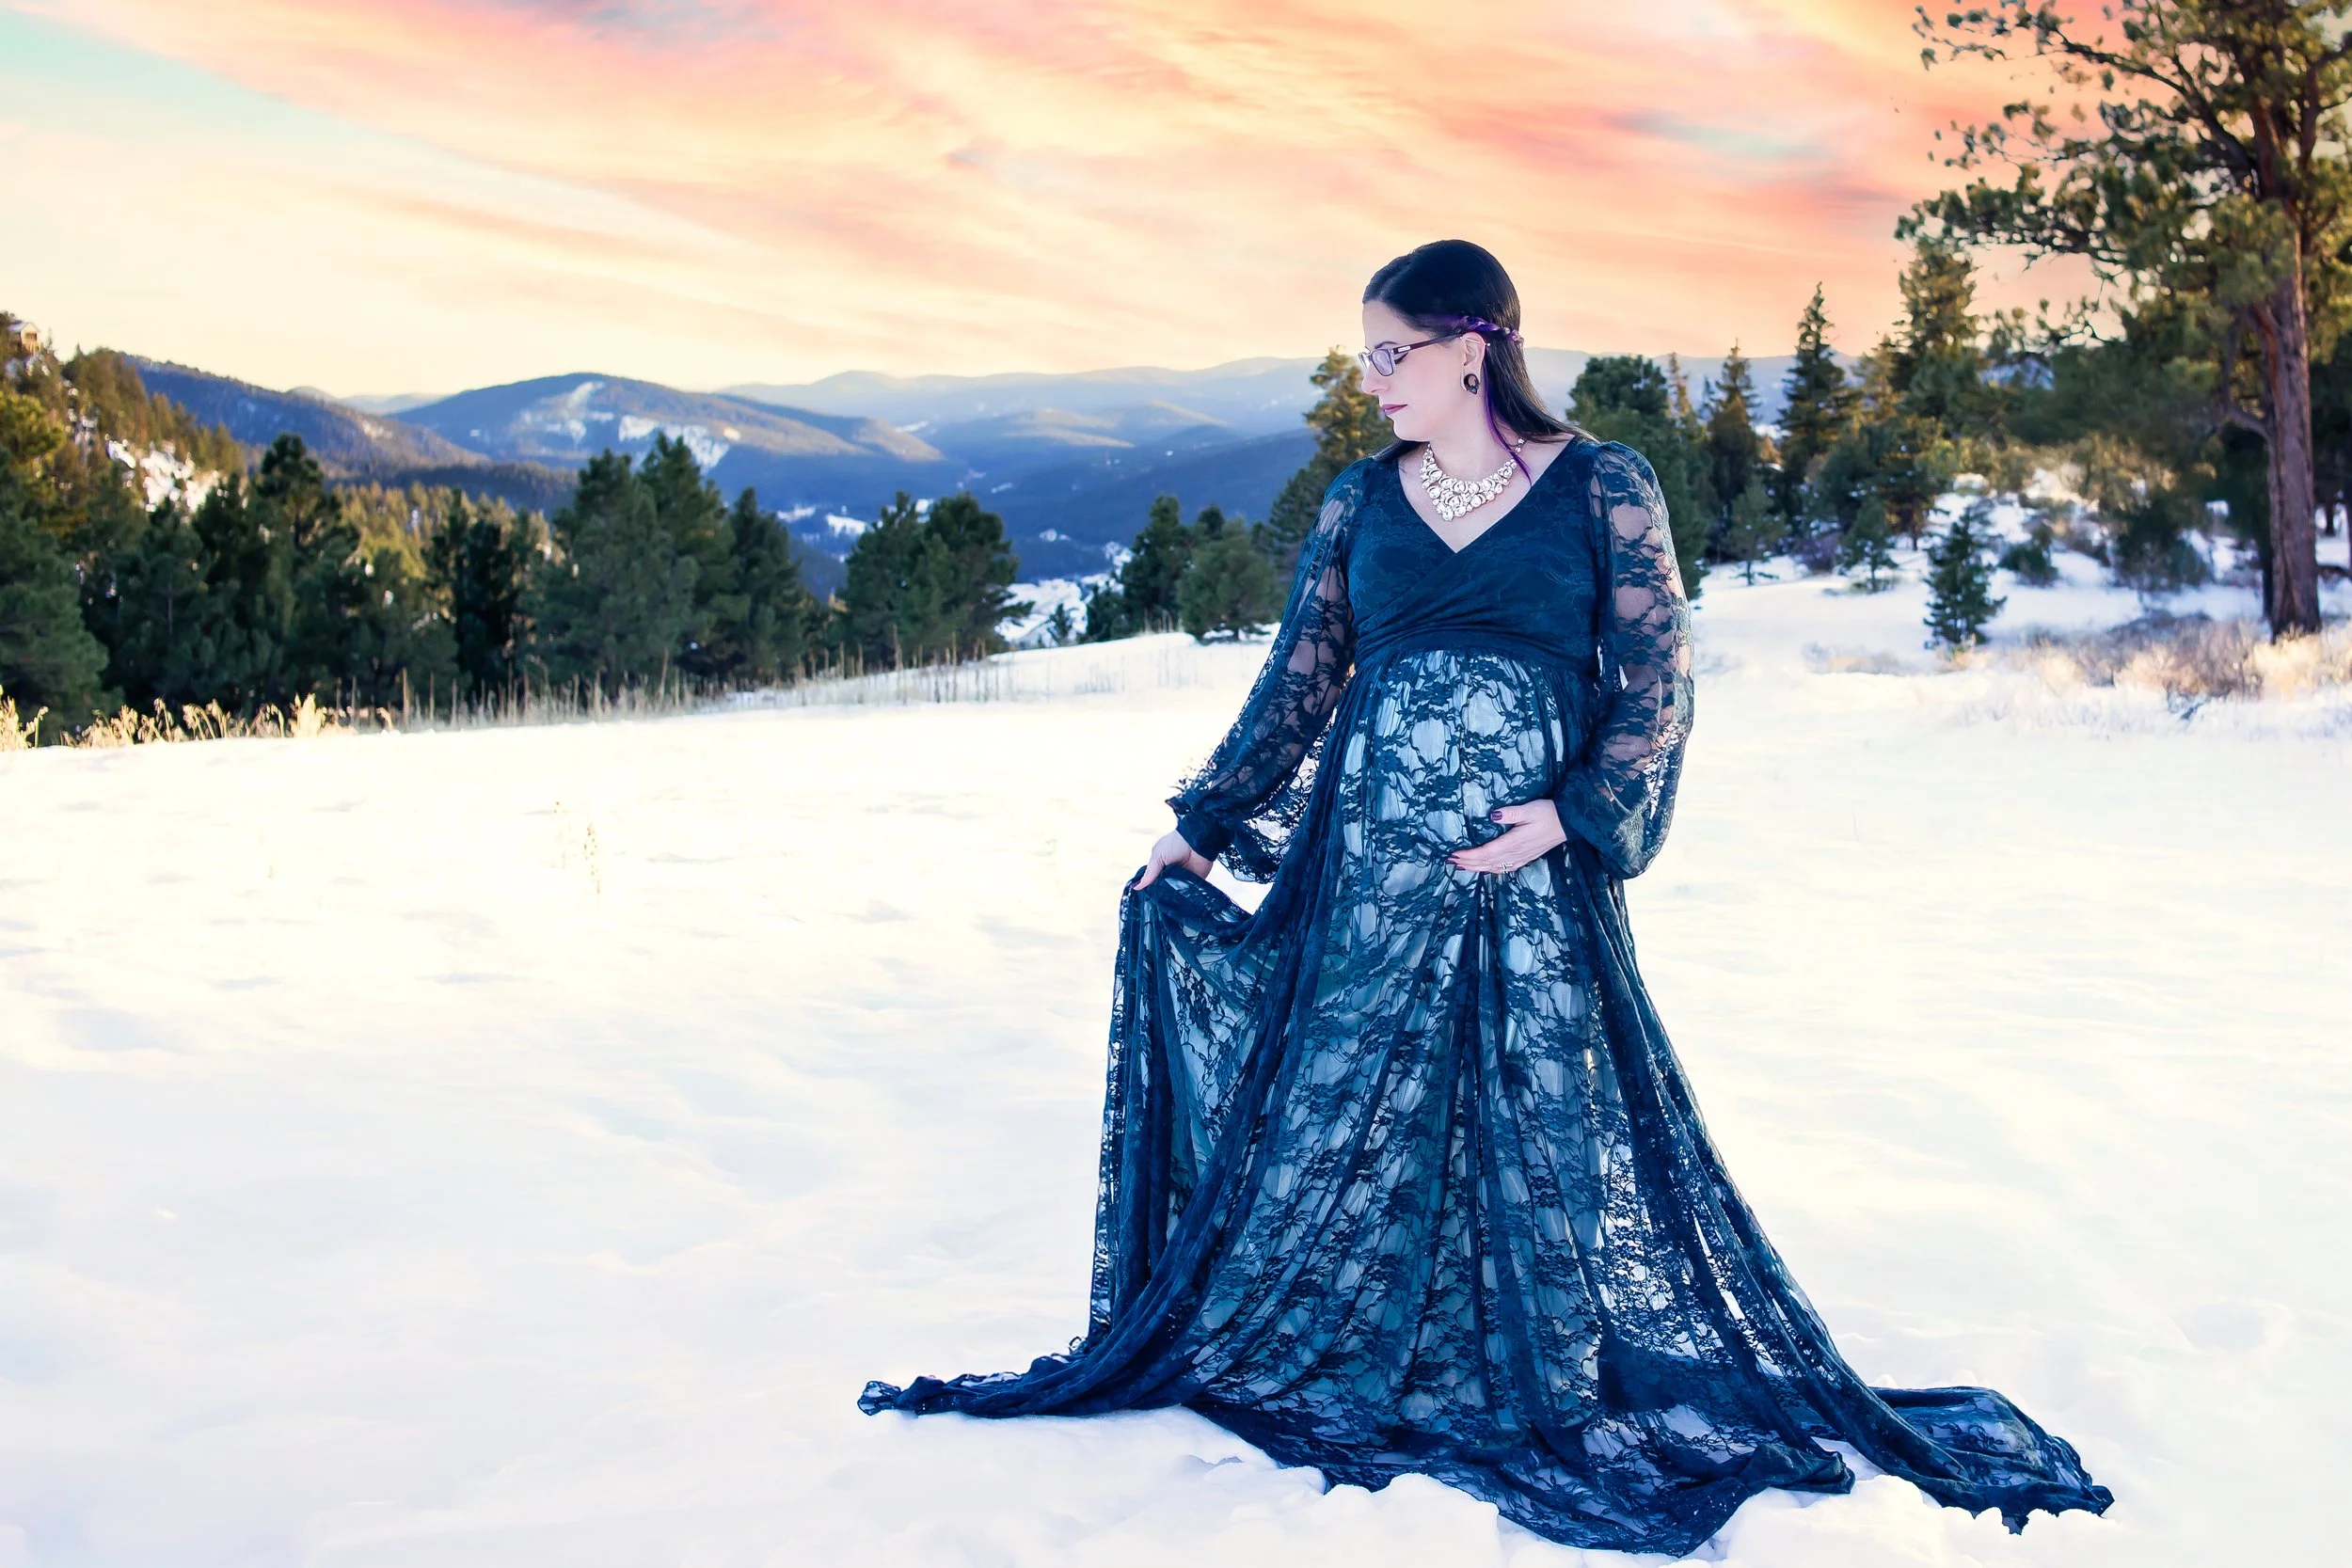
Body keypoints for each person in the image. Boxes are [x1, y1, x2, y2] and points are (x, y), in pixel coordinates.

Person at [859, 240, 2111, 1553]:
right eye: (1366, 357)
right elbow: (1301, 680)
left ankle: (1542, 1364)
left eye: (1391, 353)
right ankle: (1377, 1351)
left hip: (1536, 882)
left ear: (1475, 347)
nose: (1373, 380)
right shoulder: (1361, 500)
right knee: (1365, 1095)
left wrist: (1570, 814)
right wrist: (1202, 827)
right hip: (1373, 880)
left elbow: (1657, 679)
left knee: (1534, 1094)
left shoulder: (1602, 487)